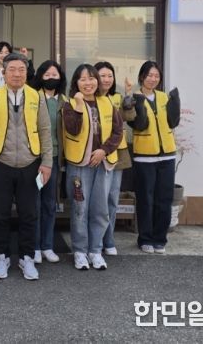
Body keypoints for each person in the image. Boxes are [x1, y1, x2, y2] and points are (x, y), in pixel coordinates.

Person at [0, 53, 53, 281]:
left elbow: (45, 130)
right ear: (4, 72)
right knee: (0, 214)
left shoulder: (36, 96)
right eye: (12, 70)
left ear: (27, 72)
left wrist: (47, 162)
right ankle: (1, 256)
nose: (17, 74)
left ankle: (27, 257)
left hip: (30, 163)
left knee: (29, 214)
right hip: (0, 162)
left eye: (21, 69)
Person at [62, 64, 123, 271]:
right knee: (80, 208)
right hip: (80, 165)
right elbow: (72, 129)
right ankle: (80, 251)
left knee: (100, 209)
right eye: (83, 79)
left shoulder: (107, 102)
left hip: (102, 163)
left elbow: (118, 132)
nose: (88, 83)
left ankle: (95, 251)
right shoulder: (69, 104)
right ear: (76, 83)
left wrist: (104, 150)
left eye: (91, 78)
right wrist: (79, 104)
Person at [128, 61, 180, 254]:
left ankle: (160, 239)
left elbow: (173, 122)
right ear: (142, 77)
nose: (153, 79)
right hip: (144, 157)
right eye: (150, 75)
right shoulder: (134, 98)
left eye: (156, 76)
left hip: (167, 156)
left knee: (164, 200)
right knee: (145, 200)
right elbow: (137, 124)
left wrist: (176, 101)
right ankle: (145, 238)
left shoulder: (164, 97)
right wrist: (134, 99)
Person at [95, 61, 136, 256]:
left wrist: (128, 95)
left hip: (117, 154)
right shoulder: (90, 98)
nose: (106, 79)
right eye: (102, 75)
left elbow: (130, 117)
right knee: (99, 199)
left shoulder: (118, 97)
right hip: (97, 154)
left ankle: (108, 239)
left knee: (112, 198)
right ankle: (96, 239)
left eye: (110, 76)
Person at [30, 60, 67, 265]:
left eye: (55, 74)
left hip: (54, 157)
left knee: (50, 204)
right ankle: (35, 247)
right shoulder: (34, 98)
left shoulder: (65, 101)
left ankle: (47, 245)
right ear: (40, 77)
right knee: (34, 204)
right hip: (35, 157)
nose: (51, 78)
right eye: (47, 75)